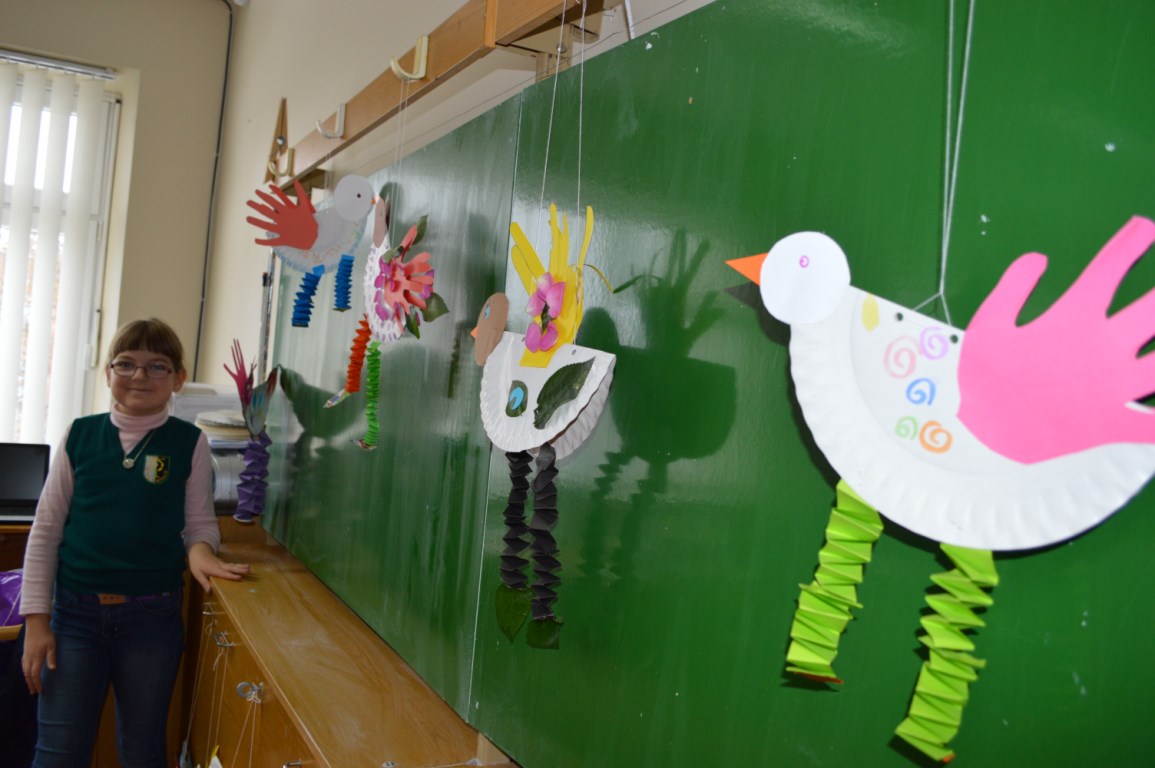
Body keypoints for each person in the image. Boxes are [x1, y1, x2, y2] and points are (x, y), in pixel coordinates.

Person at [19, 318, 250, 768]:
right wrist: (37, 622)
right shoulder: (79, 435)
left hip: (151, 618)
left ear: (178, 378)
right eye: (126, 364)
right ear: (108, 373)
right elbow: (45, 529)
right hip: (74, 617)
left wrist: (201, 552)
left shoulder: (189, 442)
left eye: (156, 366)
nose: (139, 375)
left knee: (143, 750)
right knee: (58, 751)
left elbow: (199, 524)